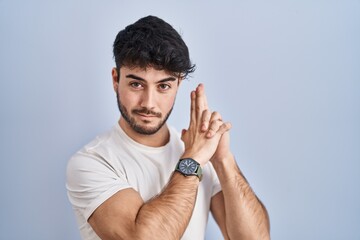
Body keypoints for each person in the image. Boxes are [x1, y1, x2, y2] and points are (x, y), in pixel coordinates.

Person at [66, 15, 270, 240]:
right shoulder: (91, 163)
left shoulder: (199, 152)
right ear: (116, 80)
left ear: (179, 84)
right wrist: (193, 160)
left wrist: (223, 160)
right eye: (136, 84)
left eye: (163, 86)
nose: (148, 103)